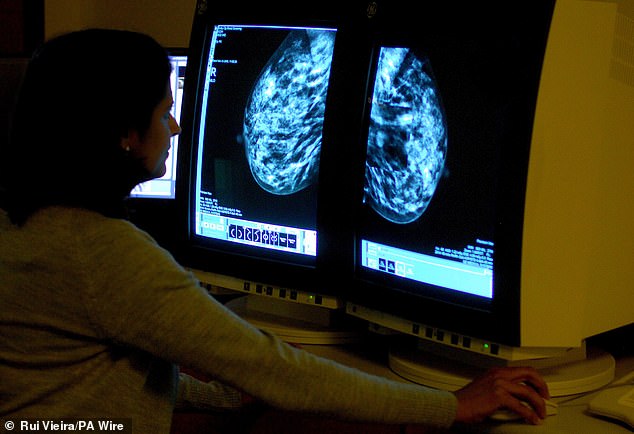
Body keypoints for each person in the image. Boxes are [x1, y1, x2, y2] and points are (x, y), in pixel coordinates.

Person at [0, 29, 550, 433]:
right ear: (123, 132)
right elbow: (274, 371)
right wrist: (453, 407)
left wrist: (222, 398)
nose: (175, 126)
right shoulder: (104, 255)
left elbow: (79, 381)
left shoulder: (25, 225)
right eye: (165, 110)